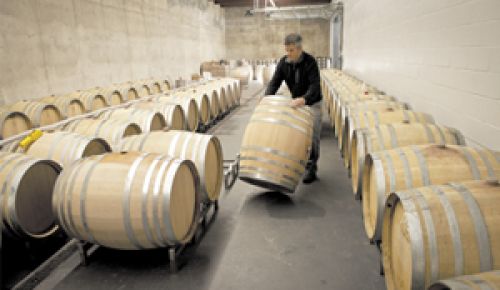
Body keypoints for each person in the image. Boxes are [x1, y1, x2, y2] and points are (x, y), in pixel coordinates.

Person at [264, 33, 323, 184]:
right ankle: (297, 162)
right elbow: (274, 82)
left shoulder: (310, 62)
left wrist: (305, 99)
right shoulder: (284, 63)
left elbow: (315, 86)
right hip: (296, 101)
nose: (288, 53)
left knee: (312, 135)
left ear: (299, 49)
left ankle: (311, 168)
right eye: (286, 50)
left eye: (291, 50)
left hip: (312, 102)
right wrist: (266, 98)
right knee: (294, 133)